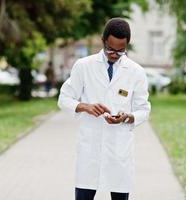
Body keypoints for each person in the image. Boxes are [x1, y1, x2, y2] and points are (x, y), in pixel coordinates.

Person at [58, 18, 151, 200]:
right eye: (110, 49)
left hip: (119, 149)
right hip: (90, 148)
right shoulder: (84, 66)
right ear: (103, 41)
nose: (114, 54)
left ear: (127, 45)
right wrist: (84, 106)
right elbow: (64, 98)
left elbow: (144, 109)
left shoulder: (136, 72)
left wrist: (127, 117)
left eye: (120, 50)